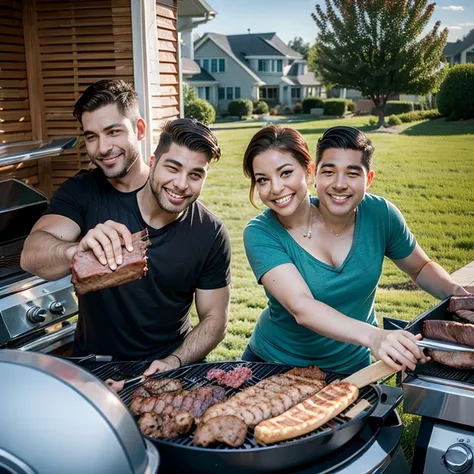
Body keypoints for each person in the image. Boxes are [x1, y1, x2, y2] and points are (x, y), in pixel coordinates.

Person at [21, 79, 231, 376]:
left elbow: (215, 318)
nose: (103, 148)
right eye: (91, 136)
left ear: (140, 130)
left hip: (167, 370)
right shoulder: (82, 191)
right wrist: (75, 250)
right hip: (94, 367)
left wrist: (175, 361)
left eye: (113, 131)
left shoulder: (209, 232)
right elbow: (31, 255)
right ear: (157, 161)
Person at [241, 124, 471, 374]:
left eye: (285, 173)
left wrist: (459, 296)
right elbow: (302, 307)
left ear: (308, 172)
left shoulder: (380, 215)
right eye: (263, 179)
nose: (275, 188)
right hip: (276, 365)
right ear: (318, 173)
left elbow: (420, 268)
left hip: (352, 368)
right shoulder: (261, 233)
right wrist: (374, 337)